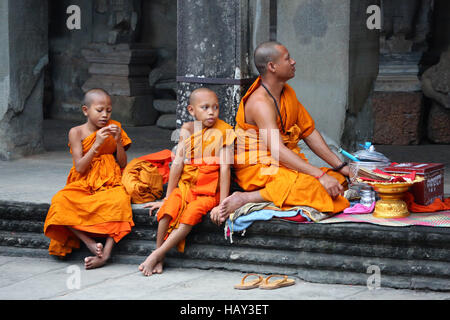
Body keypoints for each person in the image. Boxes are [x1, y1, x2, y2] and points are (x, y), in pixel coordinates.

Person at [218, 41, 350, 223]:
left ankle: (282, 190)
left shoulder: (286, 93)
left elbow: (309, 132)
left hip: (280, 162)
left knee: (337, 180)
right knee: (317, 188)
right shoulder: (260, 103)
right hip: (259, 167)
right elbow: (277, 150)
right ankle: (246, 198)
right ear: (272, 66)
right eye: (288, 59)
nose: (294, 62)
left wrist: (342, 167)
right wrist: (319, 175)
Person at [139, 88, 235, 276]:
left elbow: (225, 168)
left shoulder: (225, 131)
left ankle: (155, 255)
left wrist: (222, 205)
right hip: (186, 186)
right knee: (168, 210)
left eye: (215, 107)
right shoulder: (188, 129)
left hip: (208, 192)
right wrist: (167, 197)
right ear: (191, 110)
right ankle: (160, 256)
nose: (211, 112)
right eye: (205, 107)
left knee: (191, 214)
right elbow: (178, 163)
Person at [43, 88, 134, 269]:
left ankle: (105, 254)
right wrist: (97, 144)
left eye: (108, 110)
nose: (105, 115)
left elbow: (123, 163)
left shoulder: (115, 126)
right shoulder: (76, 132)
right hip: (84, 180)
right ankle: (89, 243)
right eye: (99, 110)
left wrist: (117, 141)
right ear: (86, 110)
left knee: (120, 202)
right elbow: (80, 167)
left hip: (110, 179)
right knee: (60, 202)